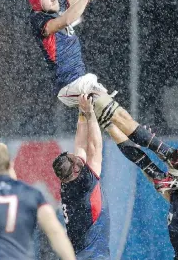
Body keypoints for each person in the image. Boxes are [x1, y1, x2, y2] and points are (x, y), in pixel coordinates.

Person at [27, 0, 178, 176]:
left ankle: (158, 173)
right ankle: (170, 156)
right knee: (120, 116)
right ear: (38, 5)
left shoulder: (59, 4)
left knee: (117, 126)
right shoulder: (39, 20)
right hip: (72, 85)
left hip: (82, 81)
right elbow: (67, 19)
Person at [108, 124, 178, 260]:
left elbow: (172, 164)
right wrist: (142, 144)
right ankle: (106, 120)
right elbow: (151, 173)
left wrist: (150, 141)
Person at [52, 94, 110, 260]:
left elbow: (80, 144)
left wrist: (81, 111)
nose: (75, 153)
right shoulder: (86, 183)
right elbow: (95, 146)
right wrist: (90, 112)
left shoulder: (69, 182)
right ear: (76, 169)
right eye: (73, 156)